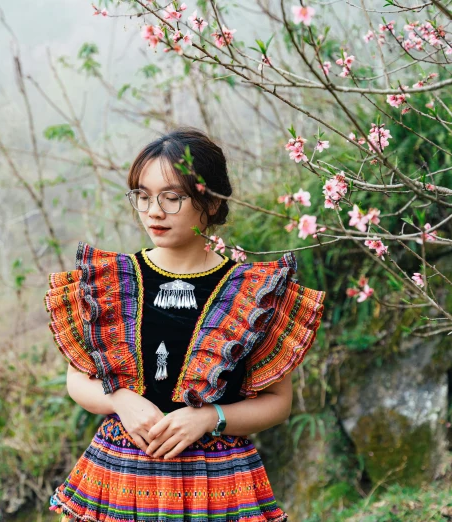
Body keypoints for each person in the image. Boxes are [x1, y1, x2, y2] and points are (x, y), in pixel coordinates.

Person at [43, 127, 326, 521]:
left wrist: (212, 418)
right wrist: (120, 401)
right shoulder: (112, 282)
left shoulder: (253, 292)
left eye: (172, 198)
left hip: (217, 482)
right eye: (142, 196)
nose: (153, 211)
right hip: (121, 474)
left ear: (210, 202)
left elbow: (279, 403)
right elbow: (78, 379)